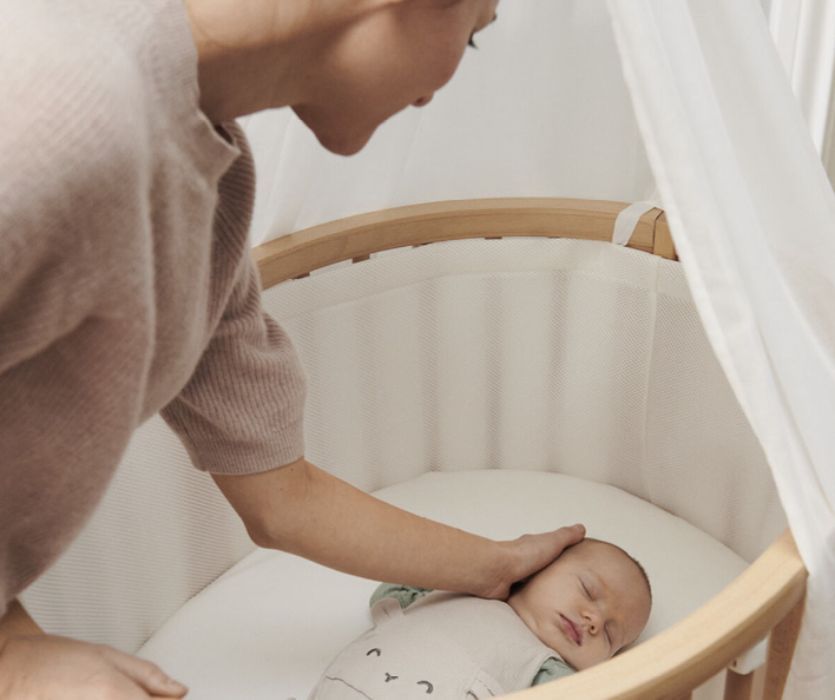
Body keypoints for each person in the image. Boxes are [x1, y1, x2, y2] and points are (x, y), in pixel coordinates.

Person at [0, 0, 588, 697]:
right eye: (472, 35)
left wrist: (495, 565)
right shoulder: (55, 113)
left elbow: (280, 495)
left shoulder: (210, 181)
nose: (436, 88)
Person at [310, 539, 652, 698]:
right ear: (537, 568)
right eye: (588, 589)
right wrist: (472, 569)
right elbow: (390, 589)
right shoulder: (461, 588)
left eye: (609, 634)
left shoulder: (546, 670)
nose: (593, 620)